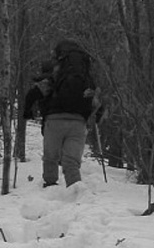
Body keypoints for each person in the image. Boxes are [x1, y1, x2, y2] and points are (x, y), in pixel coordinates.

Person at [41, 40, 103, 188]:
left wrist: (44, 115)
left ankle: (50, 187)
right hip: (78, 122)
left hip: (54, 119)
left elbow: (44, 93)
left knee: (51, 157)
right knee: (71, 162)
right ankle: (75, 190)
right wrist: (93, 116)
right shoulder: (85, 71)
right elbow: (96, 98)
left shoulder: (55, 69)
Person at [23, 59, 57, 135]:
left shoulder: (46, 83)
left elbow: (30, 96)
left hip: (51, 118)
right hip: (75, 121)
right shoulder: (64, 80)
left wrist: (27, 111)